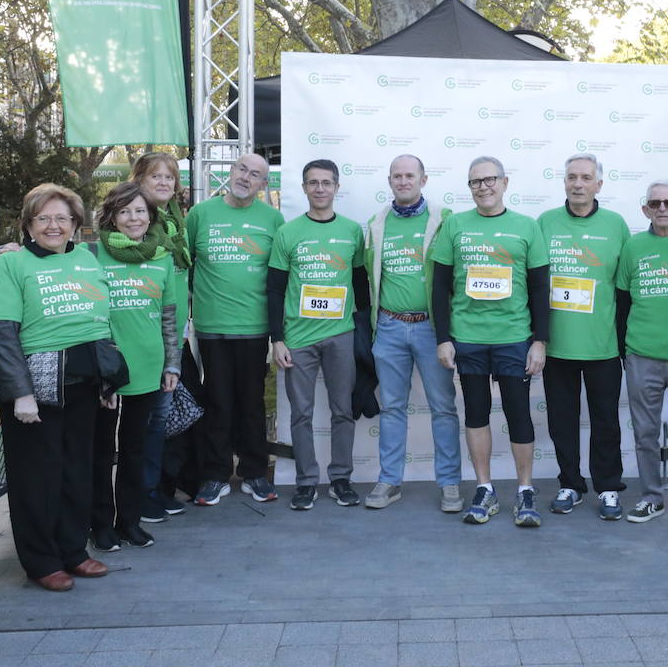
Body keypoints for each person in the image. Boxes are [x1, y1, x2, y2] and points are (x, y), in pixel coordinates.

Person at [0, 183, 119, 591]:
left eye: (62, 218)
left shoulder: (88, 260)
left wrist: (109, 380)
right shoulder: (11, 265)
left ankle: (74, 551)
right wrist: (19, 393)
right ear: (27, 225)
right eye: (43, 218)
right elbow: (2, 332)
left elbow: (101, 322)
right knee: (36, 478)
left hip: (84, 382)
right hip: (35, 390)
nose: (53, 225)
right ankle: (42, 561)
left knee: (76, 471)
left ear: (76, 224)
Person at [432, 156, 550, 527]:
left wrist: (539, 341)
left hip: (514, 337)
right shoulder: (455, 225)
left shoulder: (527, 227)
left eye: (489, 180)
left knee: (518, 413)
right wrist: (443, 339)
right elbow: (439, 286)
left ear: (504, 182)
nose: (483, 187)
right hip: (468, 339)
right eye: (475, 182)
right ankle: (485, 488)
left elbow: (539, 287)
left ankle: (525, 490)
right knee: (476, 413)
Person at [268, 159, 369, 510]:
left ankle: (341, 477)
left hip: (341, 334)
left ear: (337, 188)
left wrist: (365, 331)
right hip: (298, 338)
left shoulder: (353, 231)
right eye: (313, 183)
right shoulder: (288, 233)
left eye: (327, 183)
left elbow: (361, 283)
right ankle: (306, 481)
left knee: (343, 410)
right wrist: (277, 338)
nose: (320, 189)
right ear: (305, 188)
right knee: (301, 414)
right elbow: (275, 290)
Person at [363, 155, 462, 513]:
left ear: (424, 179)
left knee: (443, 408)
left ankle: (450, 483)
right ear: (389, 181)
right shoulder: (376, 222)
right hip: (389, 327)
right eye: (397, 176)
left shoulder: (443, 220)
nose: (403, 181)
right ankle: (389, 481)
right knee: (392, 408)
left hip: (431, 329)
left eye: (410, 176)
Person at [87, 182, 182, 554]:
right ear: (111, 216)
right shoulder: (92, 256)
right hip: (107, 371)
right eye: (124, 211)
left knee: (135, 449)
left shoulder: (161, 258)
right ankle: (100, 524)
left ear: (151, 216)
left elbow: (170, 319)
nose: (133, 218)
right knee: (100, 452)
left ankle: (129, 521)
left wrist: (172, 364)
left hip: (148, 367)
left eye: (140, 211)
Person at [186, 153, 285, 506]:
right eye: (242, 169)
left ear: (263, 185)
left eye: (255, 174)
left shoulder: (273, 219)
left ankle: (255, 473)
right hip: (212, 329)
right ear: (231, 171)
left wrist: (279, 333)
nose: (246, 177)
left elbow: (280, 278)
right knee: (217, 403)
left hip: (256, 328)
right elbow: (184, 264)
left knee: (252, 404)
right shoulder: (200, 214)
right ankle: (215, 475)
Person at [538, 154, 632, 520]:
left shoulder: (616, 225)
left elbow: (624, 288)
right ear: (564, 182)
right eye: (572, 177)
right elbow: (534, 283)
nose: (578, 184)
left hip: (603, 346)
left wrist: (625, 343)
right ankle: (570, 484)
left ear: (599, 185)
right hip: (557, 344)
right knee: (562, 420)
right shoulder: (545, 222)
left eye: (586, 178)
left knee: (606, 421)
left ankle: (609, 488)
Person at [614, 180, 668, 527]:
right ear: (645, 210)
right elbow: (622, 303)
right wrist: (626, 351)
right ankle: (651, 497)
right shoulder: (633, 247)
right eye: (655, 203)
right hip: (642, 356)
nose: (662, 208)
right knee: (645, 433)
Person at [129, 152, 192, 521]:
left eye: (170, 176)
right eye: (156, 176)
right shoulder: (133, 225)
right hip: (145, 340)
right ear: (139, 180)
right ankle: (143, 493)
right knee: (148, 424)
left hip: (171, 336)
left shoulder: (172, 221)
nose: (165, 182)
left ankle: (157, 488)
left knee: (160, 421)